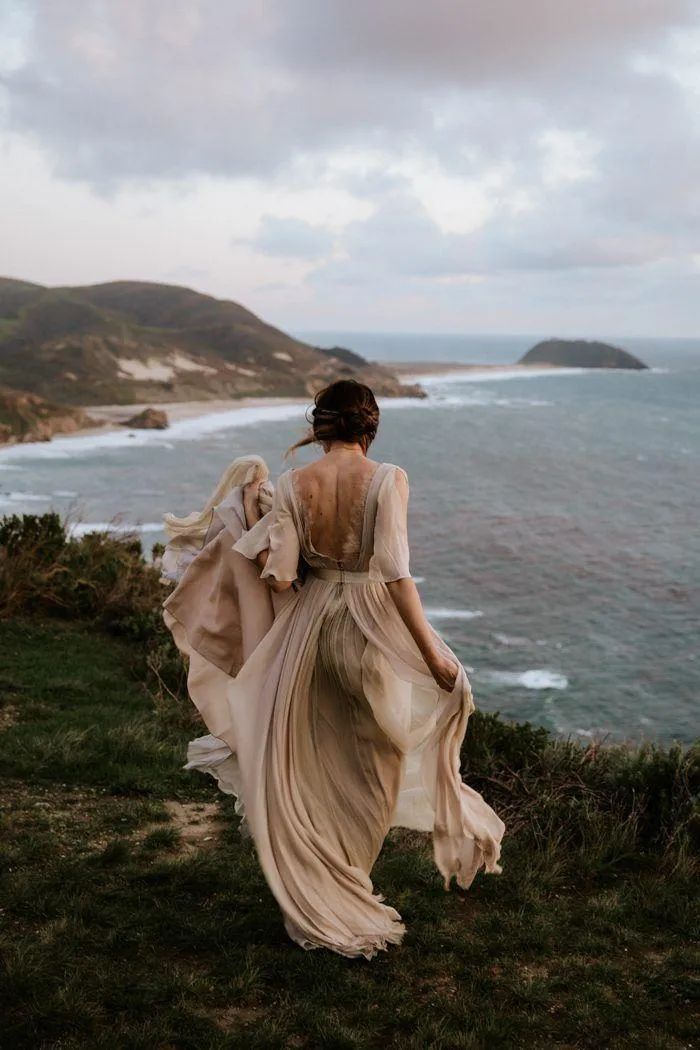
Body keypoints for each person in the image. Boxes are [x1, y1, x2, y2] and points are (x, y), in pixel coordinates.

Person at [164, 379, 505, 959]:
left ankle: (324, 891)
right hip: (370, 626)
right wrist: (432, 655)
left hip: (308, 633)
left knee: (314, 765)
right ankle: (348, 883)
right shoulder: (389, 479)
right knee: (379, 762)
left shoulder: (295, 485)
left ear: (320, 426)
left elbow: (284, 577)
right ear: (369, 427)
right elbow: (395, 574)